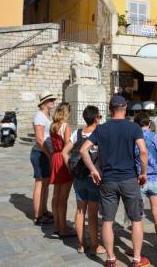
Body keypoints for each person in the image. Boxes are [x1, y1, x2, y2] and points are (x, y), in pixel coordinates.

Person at [79, 95, 150, 267]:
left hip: (108, 180)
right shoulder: (133, 127)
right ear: (125, 108)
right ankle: (137, 260)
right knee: (136, 219)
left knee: (108, 221)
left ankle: (111, 260)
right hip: (129, 179)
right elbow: (143, 151)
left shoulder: (101, 129)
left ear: (110, 109)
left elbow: (83, 150)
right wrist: (143, 173)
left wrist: (94, 170)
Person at [61, 105, 105, 255]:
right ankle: (95, 245)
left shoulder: (77, 133)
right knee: (92, 214)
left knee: (80, 210)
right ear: (95, 119)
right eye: (99, 116)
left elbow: (64, 152)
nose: (100, 119)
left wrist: (70, 168)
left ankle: (80, 245)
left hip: (79, 177)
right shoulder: (100, 134)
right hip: (94, 178)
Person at [134, 112, 157, 254]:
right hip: (155, 179)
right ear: (149, 123)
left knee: (138, 217)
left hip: (139, 179)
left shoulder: (133, 139)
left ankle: (137, 248)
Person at [30, 90, 56, 226]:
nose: (53, 101)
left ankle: (43, 210)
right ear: (44, 102)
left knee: (46, 184)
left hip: (45, 153)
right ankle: (37, 216)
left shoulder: (47, 115)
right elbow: (40, 139)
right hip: (40, 153)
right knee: (40, 184)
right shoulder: (39, 116)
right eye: (50, 99)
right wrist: (50, 154)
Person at [49, 103, 74, 237]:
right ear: (66, 112)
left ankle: (57, 224)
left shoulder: (52, 126)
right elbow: (67, 147)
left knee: (56, 195)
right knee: (63, 197)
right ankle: (63, 228)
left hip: (55, 158)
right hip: (63, 159)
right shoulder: (65, 126)